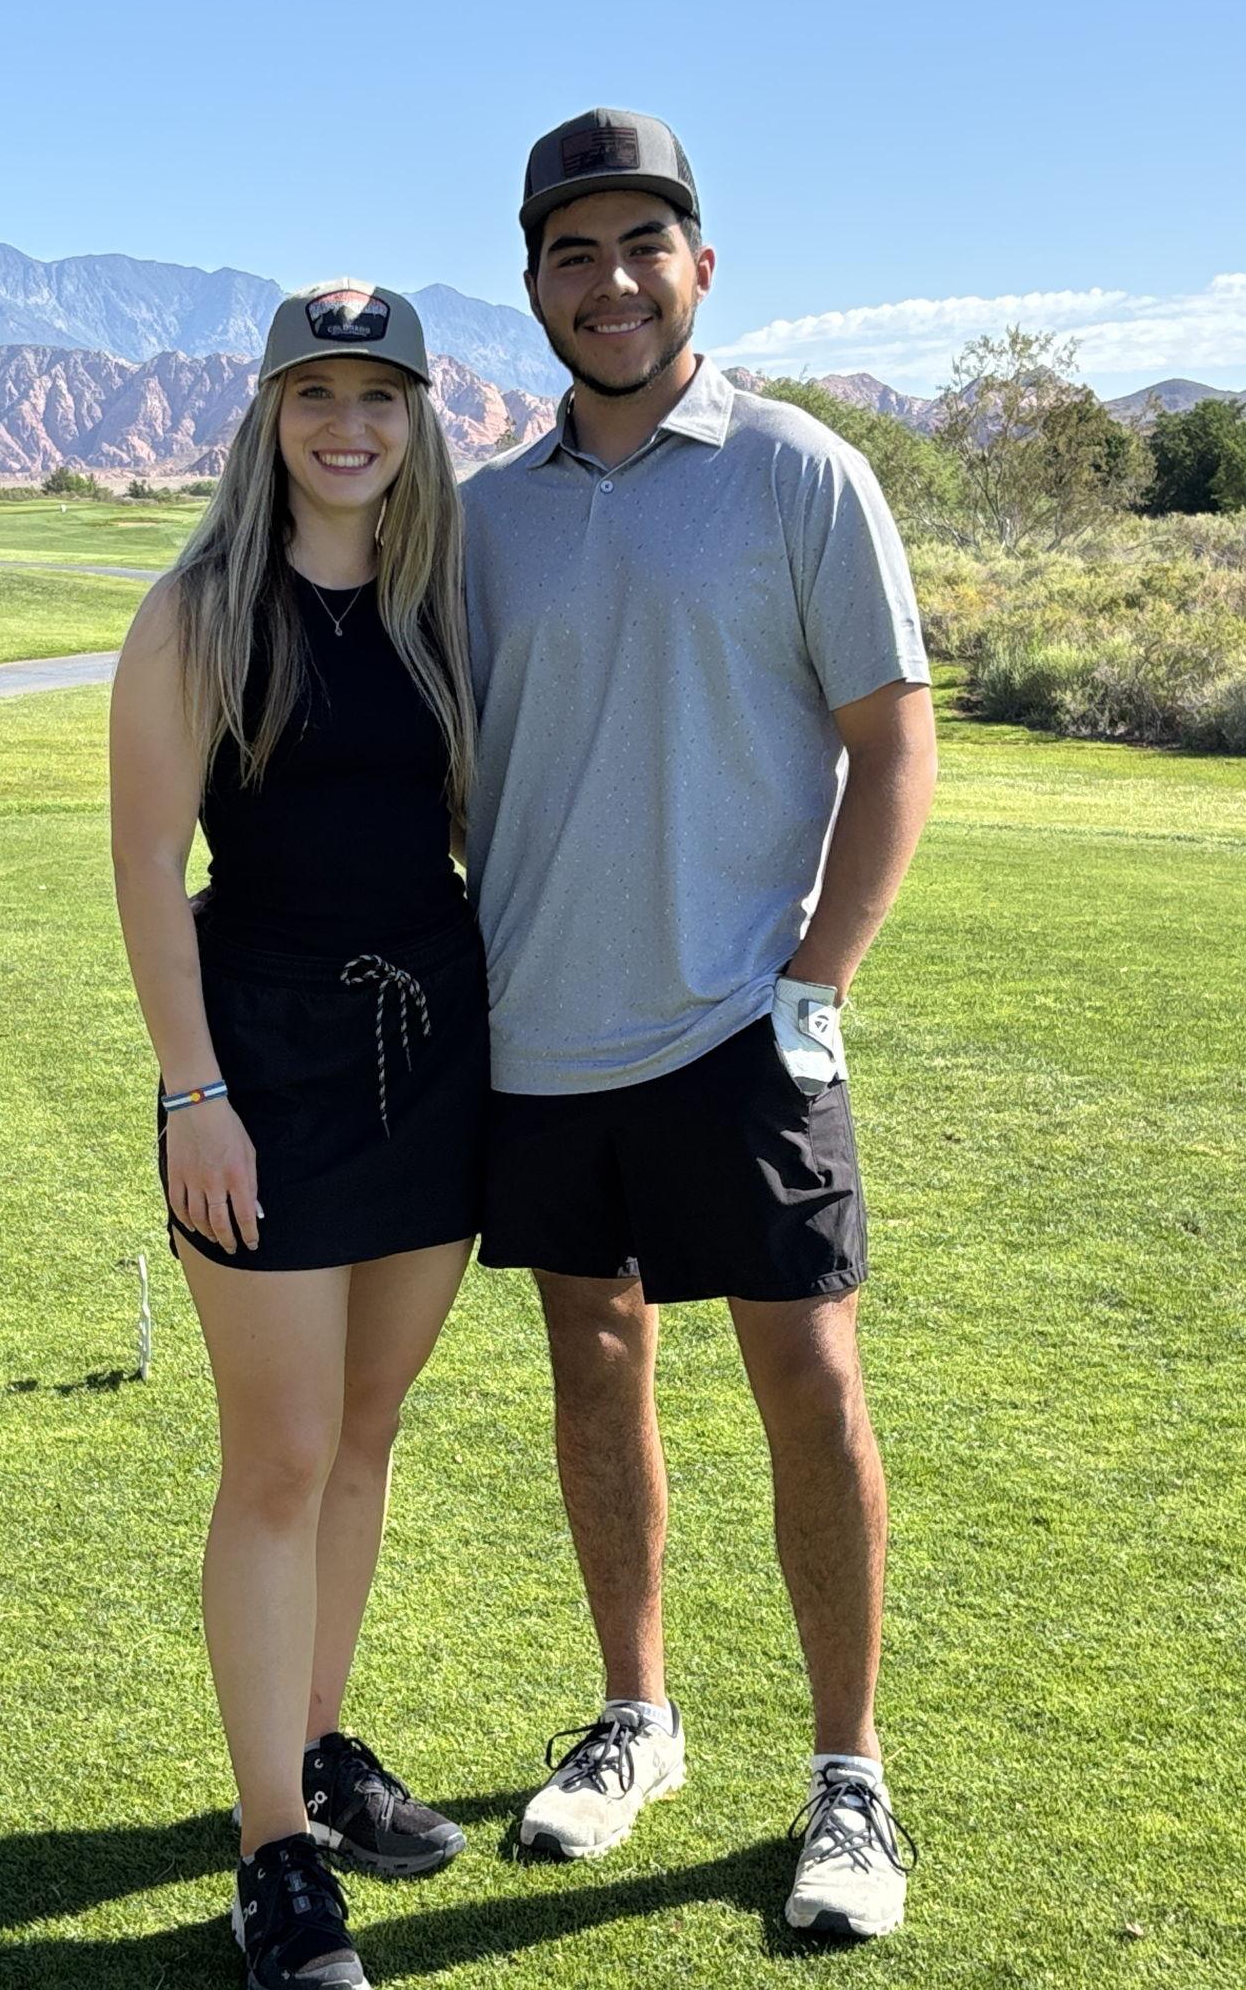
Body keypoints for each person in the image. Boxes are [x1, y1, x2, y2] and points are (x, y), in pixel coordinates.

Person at [461, 110, 939, 1940]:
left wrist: (817, 979)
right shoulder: (489, 513)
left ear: (702, 267)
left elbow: (895, 746)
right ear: (535, 289)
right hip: (542, 1030)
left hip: (743, 1026)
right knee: (594, 1361)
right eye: (571, 253)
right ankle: (636, 1720)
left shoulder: (802, 473)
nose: (610, 281)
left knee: (806, 1378)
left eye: (641, 243)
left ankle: (849, 1781)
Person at [108, 281, 485, 1990]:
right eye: (317, 392)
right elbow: (145, 875)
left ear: (418, 421)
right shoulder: (197, 612)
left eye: (382, 397)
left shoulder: (439, 605)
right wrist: (197, 1093)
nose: (351, 425)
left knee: (362, 1437)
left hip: (433, 1064)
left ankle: (318, 1754)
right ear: (268, 414)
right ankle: (275, 1854)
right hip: (260, 1072)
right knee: (273, 1459)